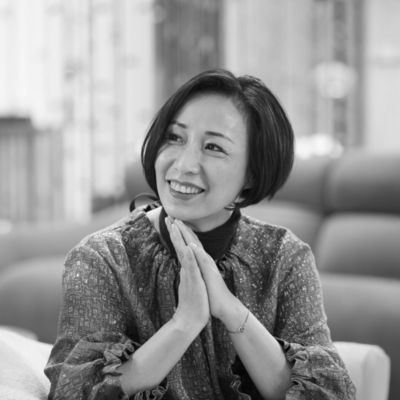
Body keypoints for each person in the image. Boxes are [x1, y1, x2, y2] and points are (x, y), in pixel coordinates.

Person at [45, 69, 355, 399]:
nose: (184, 165)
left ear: (252, 174)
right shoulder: (103, 258)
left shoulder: (284, 256)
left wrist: (230, 309)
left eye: (213, 147)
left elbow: (330, 393)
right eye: (175, 138)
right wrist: (184, 323)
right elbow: (74, 391)